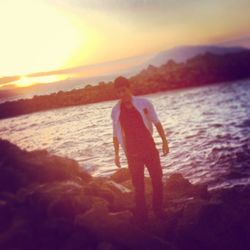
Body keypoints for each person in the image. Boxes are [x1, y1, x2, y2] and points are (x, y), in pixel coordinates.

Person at [111, 76, 169, 222]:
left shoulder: (144, 103)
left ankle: (158, 210)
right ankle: (142, 216)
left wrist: (164, 141)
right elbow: (115, 134)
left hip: (149, 149)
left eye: (124, 90)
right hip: (132, 154)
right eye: (118, 92)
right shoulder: (116, 110)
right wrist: (116, 154)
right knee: (138, 187)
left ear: (129, 88)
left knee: (157, 180)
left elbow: (156, 122)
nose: (122, 94)